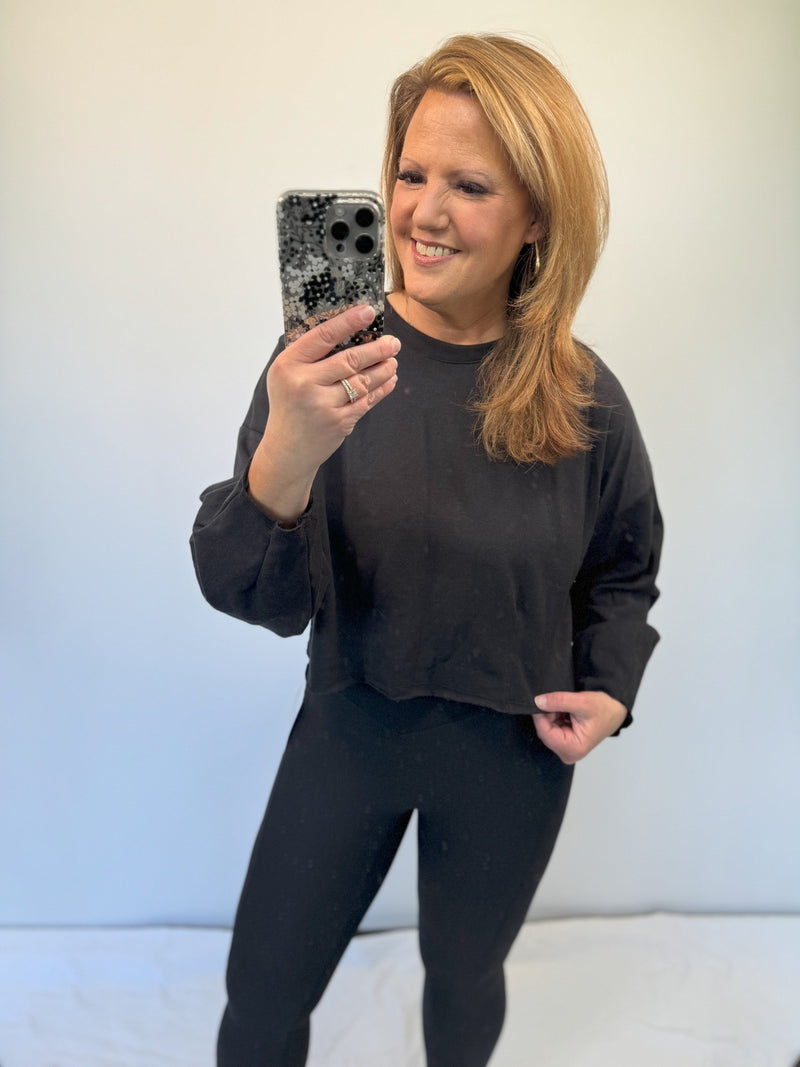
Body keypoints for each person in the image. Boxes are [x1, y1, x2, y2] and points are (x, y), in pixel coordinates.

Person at [191, 32, 662, 1067]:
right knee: (261, 989)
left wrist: (610, 685)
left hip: (509, 755)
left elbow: (622, 572)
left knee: (464, 974)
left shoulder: (582, 396)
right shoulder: (323, 367)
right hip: (351, 728)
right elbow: (254, 595)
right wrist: (285, 454)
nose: (422, 213)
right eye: (410, 174)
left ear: (537, 214)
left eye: (470, 185)